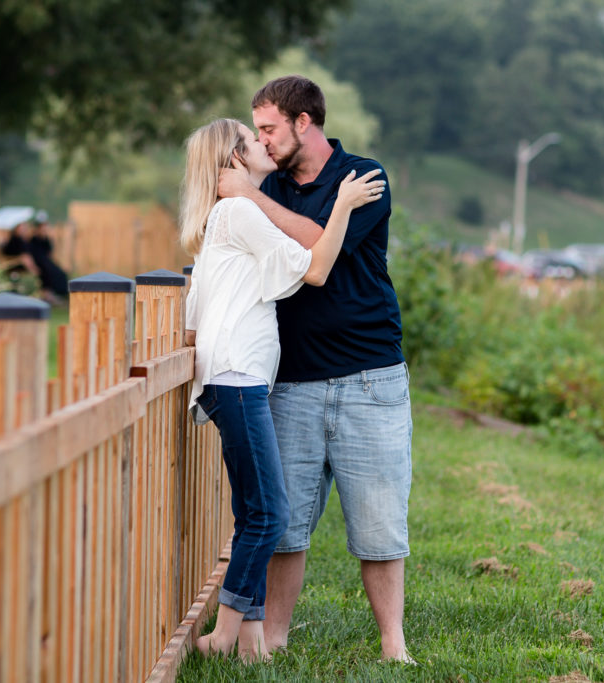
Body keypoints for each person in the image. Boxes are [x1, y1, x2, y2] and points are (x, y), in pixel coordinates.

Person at [218, 75, 414, 663]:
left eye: (270, 128)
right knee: (285, 524)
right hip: (291, 379)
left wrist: (251, 199)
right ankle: (272, 638)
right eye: (259, 131)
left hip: (370, 374)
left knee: (379, 523)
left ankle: (393, 644)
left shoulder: (362, 178)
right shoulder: (270, 181)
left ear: (305, 122)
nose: (263, 140)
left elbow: (315, 253)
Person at [181, 118, 384, 661]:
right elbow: (317, 270)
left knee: (255, 513)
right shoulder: (241, 211)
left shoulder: (232, 213)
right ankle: (224, 635)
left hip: (235, 378)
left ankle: (251, 642)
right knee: (271, 513)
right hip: (238, 378)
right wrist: (341, 204)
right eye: (253, 138)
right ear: (235, 160)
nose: (263, 142)